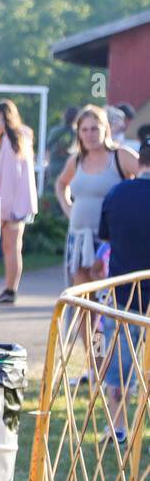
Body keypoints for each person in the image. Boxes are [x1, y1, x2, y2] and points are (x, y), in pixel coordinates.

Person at [94, 138, 150, 444]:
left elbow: (106, 239)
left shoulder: (116, 193)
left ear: (140, 160)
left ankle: (117, 426)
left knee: (119, 369)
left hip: (123, 294)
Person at [53, 105, 139, 299]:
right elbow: (61, 183)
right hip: (79, 238)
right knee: (82, 301)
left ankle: (103, 331)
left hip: (109, 240)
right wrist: (68, 209)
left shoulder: (120, 156)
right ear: (79, 133)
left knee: (107, 298)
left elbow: (145, 176)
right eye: (84, 129)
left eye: (94, 128)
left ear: (105, 130)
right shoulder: (76, 160)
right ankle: (86, 332)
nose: (89, 134)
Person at [0, 100, 40, 304]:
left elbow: (9, 180)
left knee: (12, 247)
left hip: (14, 206)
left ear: (3, 117)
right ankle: (8, 287)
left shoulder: (11, 141)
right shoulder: (13, 139)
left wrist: (2, 210)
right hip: (17, 204)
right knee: (10, 247)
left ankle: (10, 290)